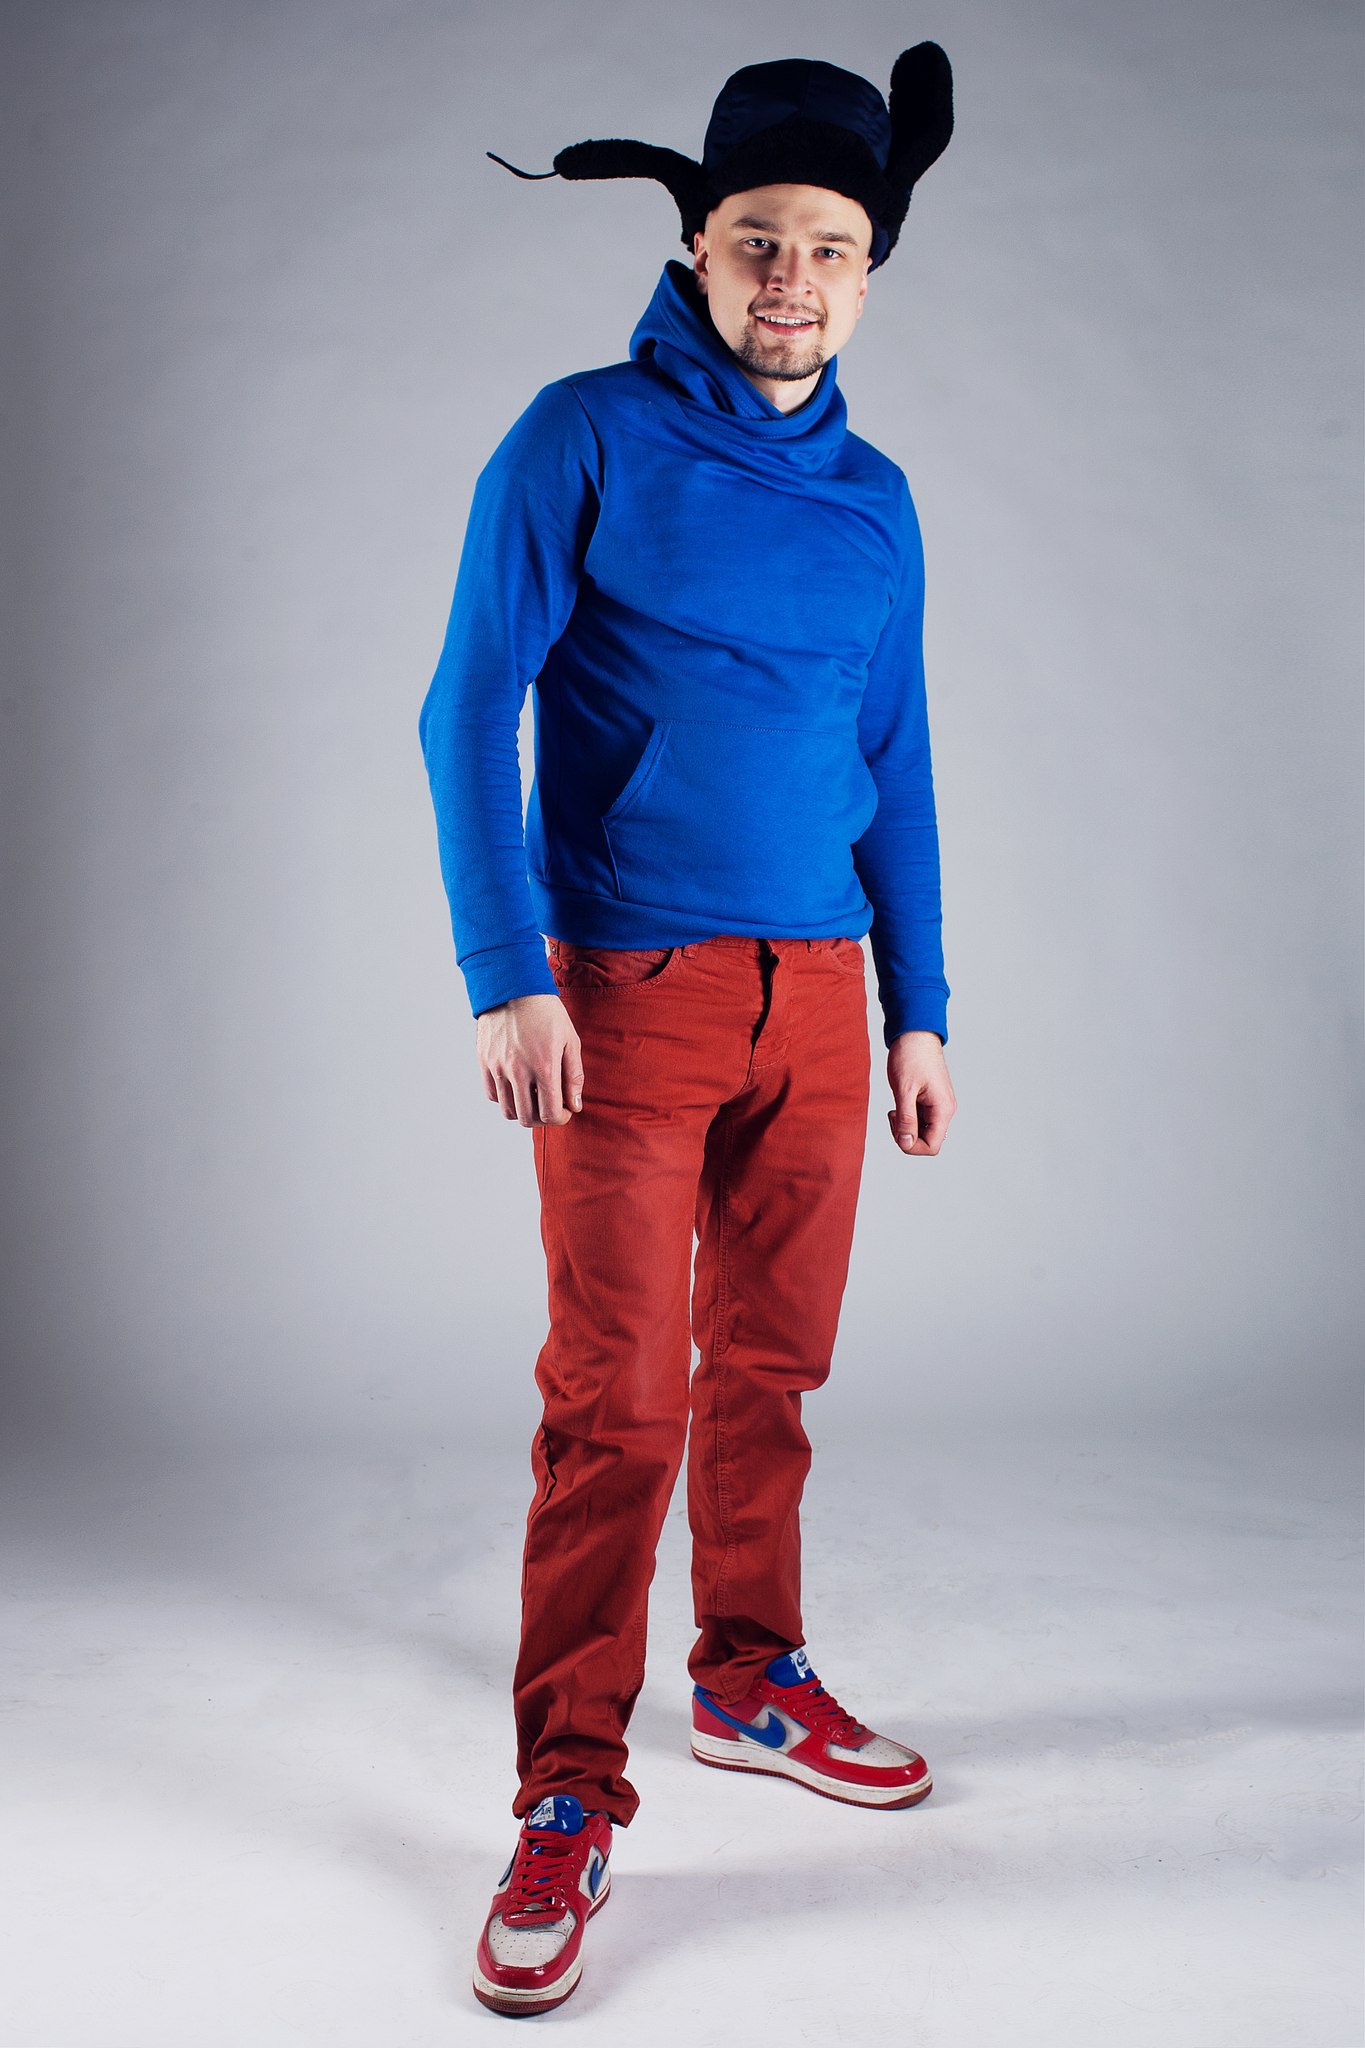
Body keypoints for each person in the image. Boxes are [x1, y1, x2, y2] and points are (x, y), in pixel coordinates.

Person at [418, 43, 958, 2018]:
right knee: (617, 1400)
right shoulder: (580, 436)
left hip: (814, 992)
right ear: (695, 247)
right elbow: (466, 702)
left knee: (770, 1368)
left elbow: (893, 759)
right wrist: (506, 967)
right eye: (755, 242)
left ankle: (747, 1673)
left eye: (828, 248)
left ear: (869, 270)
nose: (790, 280)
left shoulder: (877, 504)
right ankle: (567, 1786)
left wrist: (917, 1007)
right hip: (623, 996)